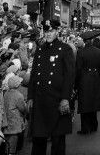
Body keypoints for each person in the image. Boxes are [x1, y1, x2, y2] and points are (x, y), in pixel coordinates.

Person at [28, 18, 75, 155]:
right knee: (38, 140)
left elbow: (69, 76)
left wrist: (65, 99)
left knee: (58, 141)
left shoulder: (65, 49)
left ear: (57, 31)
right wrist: (30, 96)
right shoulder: (40, 50)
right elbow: (34, 75)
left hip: (57, 101)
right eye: (46, 31)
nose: (48, 34)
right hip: (40, 101)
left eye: (51, 31)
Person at [75, 31, 100, 135]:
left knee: (84, 103)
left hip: (84, 78)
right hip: (95, 77)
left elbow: (78, 69)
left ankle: (85, 128)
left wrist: (75, 84)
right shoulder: (99, 51)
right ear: (92, 40)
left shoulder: (81, 52)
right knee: (93, 102)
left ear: (84, 41)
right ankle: (94, 125)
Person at [3, 75, 27, 154]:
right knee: (12, 146)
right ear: (17, 85)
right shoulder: (18, 95)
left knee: (8, 144)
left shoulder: (6, 93)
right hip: (15, 122)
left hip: (7, 121)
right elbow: (23, 108)